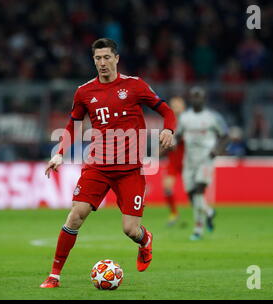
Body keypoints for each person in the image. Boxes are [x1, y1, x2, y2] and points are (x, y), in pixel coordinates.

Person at [40, 38, 176, 288]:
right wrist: (59, 152)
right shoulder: (84, 92)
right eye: (97, 59)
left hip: (129, 171)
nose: (102, 63)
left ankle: (145, 240)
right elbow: (73, 124)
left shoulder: (135, 86)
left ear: (116, 58)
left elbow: (167, 111)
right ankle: (54, 275)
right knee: (75, 217)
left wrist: (169, 130)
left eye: (106, 57)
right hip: (98, 167)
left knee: (130, 230)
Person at [176, 86, 229, 240]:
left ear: (204, 99)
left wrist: (217, 150)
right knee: (192, 195)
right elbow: (178, 136)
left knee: (199, 191)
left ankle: (198, 230)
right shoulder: (184, 118)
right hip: (189, 160)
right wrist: (169, 145)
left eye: (199, 96)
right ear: (190, 98)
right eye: (193, 96)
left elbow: (225, 136)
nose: (196, 98)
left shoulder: (213, 117)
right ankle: (209, 212)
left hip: (206, 158)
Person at [162, 96, 186, 226]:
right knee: (167, 188)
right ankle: (174, 213)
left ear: (183, 106)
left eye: (178, 104)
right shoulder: (169, 122)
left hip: (187, 161)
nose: (175, 107)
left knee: (192, 191)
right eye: (173, 105)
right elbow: (165, 144)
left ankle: (202, 214)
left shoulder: (189, 121)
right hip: (173, 162)